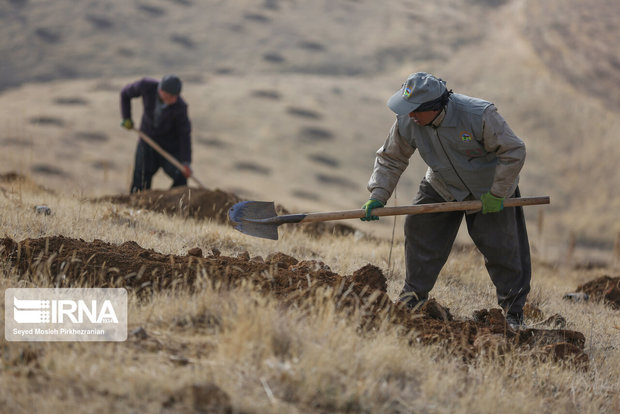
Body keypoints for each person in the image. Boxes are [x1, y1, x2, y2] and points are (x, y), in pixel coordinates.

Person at [361, 72, 530, 329]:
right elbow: (391, 158)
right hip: (442, 184)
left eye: (415, 111)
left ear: (434, 107)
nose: (410, 116)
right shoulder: (408, 121)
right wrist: (377, 195)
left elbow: (514, 150)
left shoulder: (478, 115)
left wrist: (498, 193)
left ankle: (514, 313)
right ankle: (413, 297)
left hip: (489, 189)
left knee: (503, 249)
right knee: (419, 228)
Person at [120, 75, 192, 193]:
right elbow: (125, 93)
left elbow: (184, 134)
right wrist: (126, 117)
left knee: (180, 176)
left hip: (169, 148)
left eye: (175, 97)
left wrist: (186, 162)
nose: (173, 100)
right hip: (147, 142)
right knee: (141, 180)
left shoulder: (180, 107)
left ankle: (170, 205)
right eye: (170, 96)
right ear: (160, 91)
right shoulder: (146, 86)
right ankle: (137, 207)